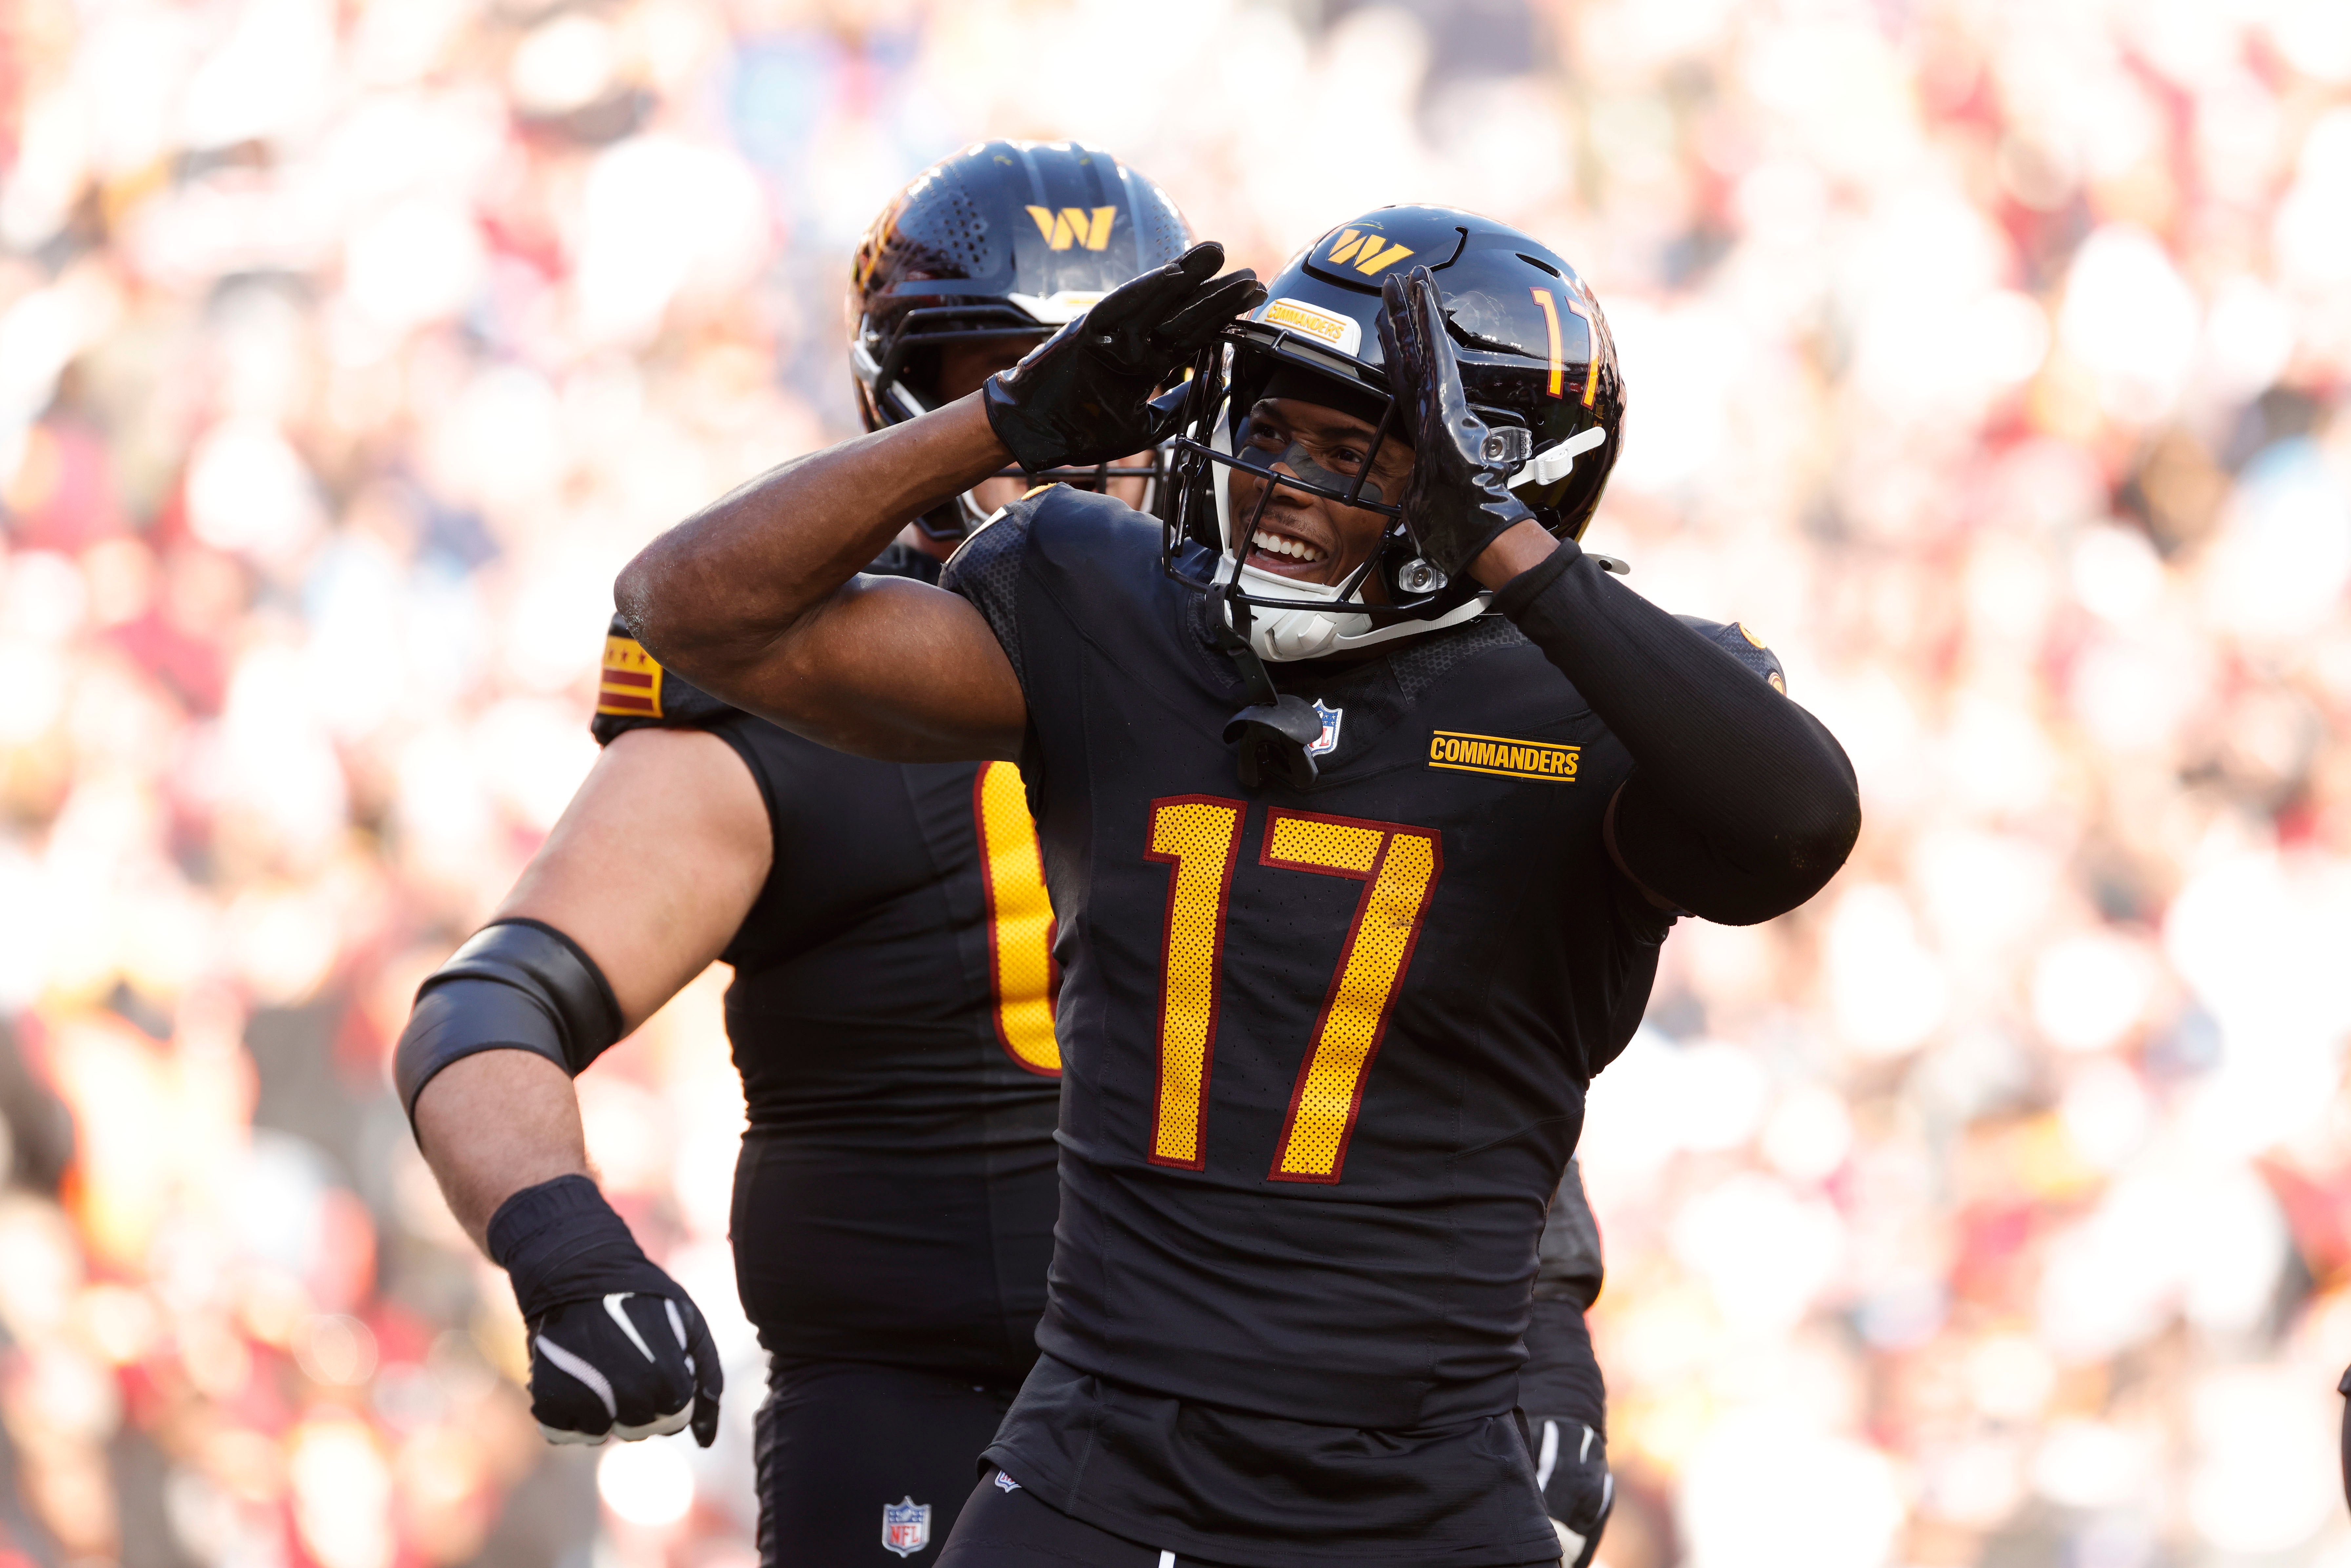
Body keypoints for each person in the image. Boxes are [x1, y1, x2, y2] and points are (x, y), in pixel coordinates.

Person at [618, 206, 1841, 1563]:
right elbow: (689, 606)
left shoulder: (1618, 704)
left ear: (1503, 478)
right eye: (1264, 428)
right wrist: (999, 424)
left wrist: (1500, 548)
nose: (1279, 482)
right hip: (1097, 1464)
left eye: (1352, 448)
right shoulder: (1109, 606)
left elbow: (1797, 824)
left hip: (1415, 1497)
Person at [391, 140, 1198, 1564]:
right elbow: (487, 1007)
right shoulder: (793, 681)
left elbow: (1405, 1028)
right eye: (1026, 384)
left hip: (1232, 1394)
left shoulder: (1246, 654)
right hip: (929, 1410)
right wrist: (566, 1248)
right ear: (915, 395)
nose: (1079, 442)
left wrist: (1546, 1319)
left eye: (1115, 385)